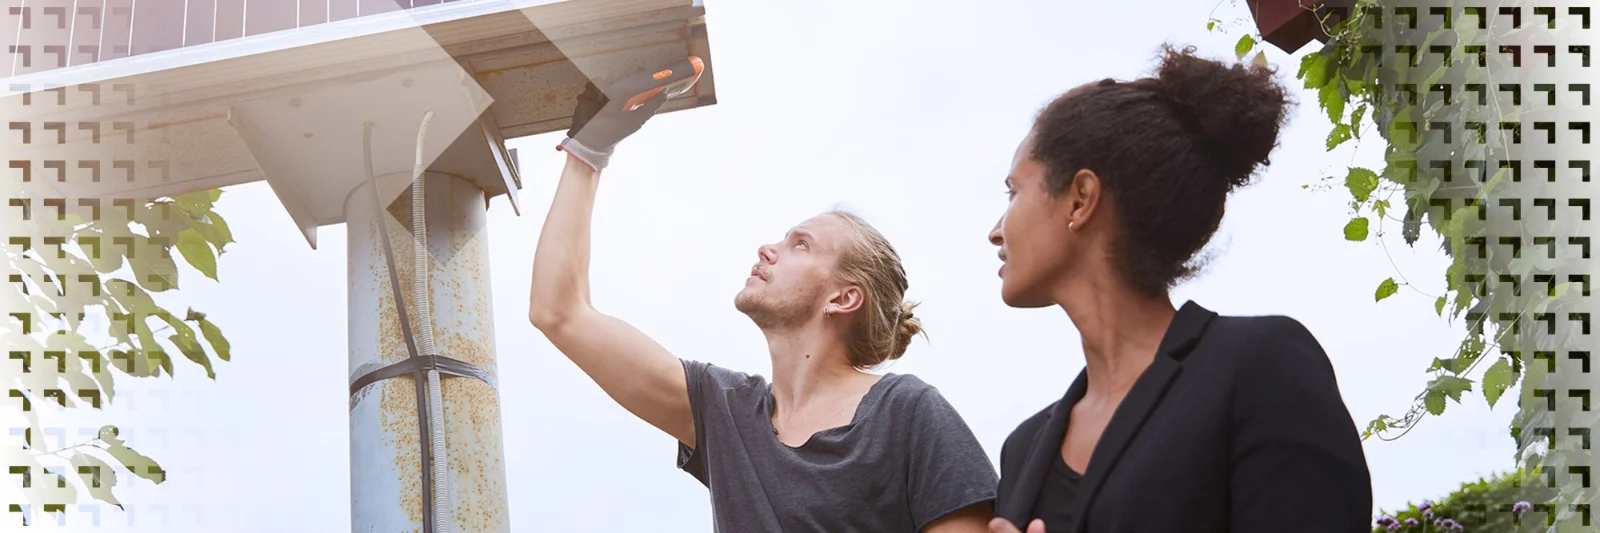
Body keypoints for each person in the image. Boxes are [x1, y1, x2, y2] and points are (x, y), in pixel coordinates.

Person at [528, 79, 998, 532]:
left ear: (844, 297)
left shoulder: (908, 413)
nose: (767, 248)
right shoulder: (724, 411)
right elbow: (560, 311)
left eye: (800, 245)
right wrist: (588, 152)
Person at [984, 45, 1374, 533]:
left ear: (1081, 199)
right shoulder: (1022, 451)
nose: (996, 230)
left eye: (1013, 191)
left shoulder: (1258, 367)